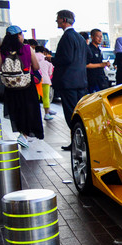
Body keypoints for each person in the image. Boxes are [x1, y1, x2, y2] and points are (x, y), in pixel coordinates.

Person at [0, 26, 44, 148]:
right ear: (18, 36)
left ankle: (21, 134)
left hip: (11, 86)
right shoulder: (27, 48)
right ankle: (24, 135)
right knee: (28, 109)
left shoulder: (3, 50)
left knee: (16, 109)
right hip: (27, 85)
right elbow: (36, 67)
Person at [50, 9, 89, 150]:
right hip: (81, 81)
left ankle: (77, 143)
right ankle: (79, 142)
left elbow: (65, 58)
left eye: (58, 19)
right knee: (80, 113)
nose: (57, 21)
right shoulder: (80, 38)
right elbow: (88, 56)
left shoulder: (67, 37)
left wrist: (52, 59)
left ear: (64, 20)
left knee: (71, 114)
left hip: (68, 82)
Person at [34, 46, 55, 120]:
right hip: (46, 80)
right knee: (46, 97)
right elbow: (50, 72)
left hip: (36, 80)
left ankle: (35, 114)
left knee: (36, 98)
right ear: (43, 51)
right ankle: (46, 114)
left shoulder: (33, 57)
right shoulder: (47, 59)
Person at [86, 29, 110, 93]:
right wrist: (100, 65)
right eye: (98, 36)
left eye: (101, 37)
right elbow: (86, 65)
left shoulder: (98, 50)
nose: (100, 39)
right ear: (92, 37)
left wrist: (105, 64)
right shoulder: (89, 49)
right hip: (92, 80)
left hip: (100, 79)